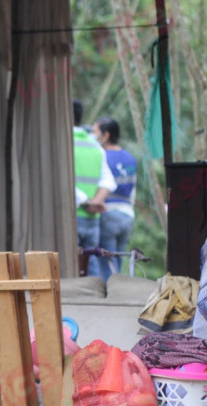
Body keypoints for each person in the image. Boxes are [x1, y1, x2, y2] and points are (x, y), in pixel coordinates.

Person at [72, 100, 116, 276]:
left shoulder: (60, 145)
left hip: (72, 216)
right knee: (92, 264)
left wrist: (85, 202)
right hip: (92, 216)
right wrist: (94, 203)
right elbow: (108, 182)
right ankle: (96, 301)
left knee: (70, 266)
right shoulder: (95, 147)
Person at [93, 117, 137, 281]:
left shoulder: (101, 156)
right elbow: (133, 191)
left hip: (108, 214)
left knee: (107, 264)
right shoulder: (130, 158)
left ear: (106, 135)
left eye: (95, 132)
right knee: (118, 261)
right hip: (126, 215)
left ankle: (111, 300)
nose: (93, 136)